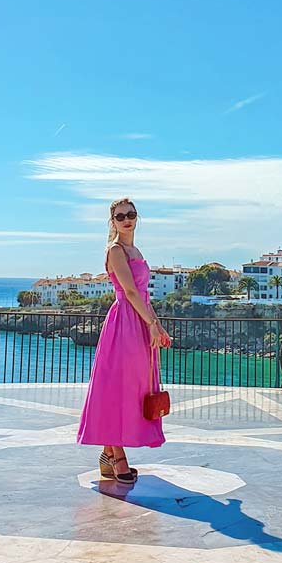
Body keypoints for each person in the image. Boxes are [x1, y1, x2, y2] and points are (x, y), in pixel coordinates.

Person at [77, 197, 172, 484]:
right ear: (112, 221)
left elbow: (144, 295)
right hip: (124, 325)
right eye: (120, 216)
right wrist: (151, 324)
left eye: (131, 214)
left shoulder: (136, 250)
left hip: (140, 323)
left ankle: (109, 453)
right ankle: (117, 456)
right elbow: (130, 293)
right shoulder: (116, 250)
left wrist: (158, 326)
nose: (127, 219)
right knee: (118, 388)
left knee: (134, 388)